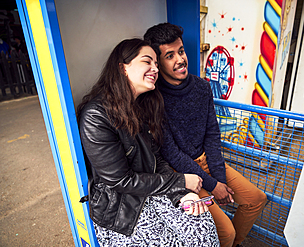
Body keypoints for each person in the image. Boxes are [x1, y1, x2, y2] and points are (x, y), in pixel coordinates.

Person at [77, 38, 220, 247]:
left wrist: (181, 194)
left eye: (155, 63)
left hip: (150, 191)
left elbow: (157, 159)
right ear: (122, 68)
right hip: (122, 208)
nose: (155, 68)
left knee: (202, 229)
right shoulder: (96, 116)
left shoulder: (140, 107)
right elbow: (120, 181)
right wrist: (181, 182)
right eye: (147, 62)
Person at [144, 23, 268, 247]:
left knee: (256, 199)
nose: (180, 60)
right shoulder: (154, 99)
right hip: (182, 172)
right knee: (225, 232)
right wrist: (213, 185)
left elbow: (212, 134)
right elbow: (171, 153)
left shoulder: (202, 87)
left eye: (180, 51)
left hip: (208, 162)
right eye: (169, 56)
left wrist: (219, 178)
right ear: (157, 62)